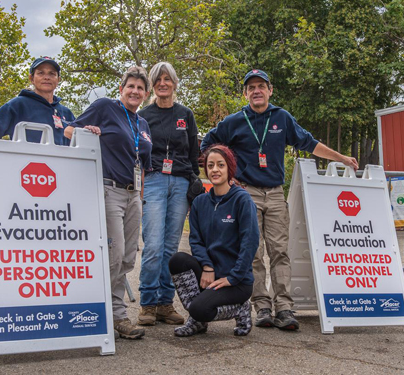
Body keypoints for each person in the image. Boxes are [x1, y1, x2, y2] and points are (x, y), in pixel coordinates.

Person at [201, 69, 358, 331]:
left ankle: (284, 307)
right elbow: (208, 145)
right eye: (251, 87)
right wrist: (226, 177)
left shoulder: (281, 118)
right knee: (252, 252)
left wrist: (341, 158)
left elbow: (309, 142)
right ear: (245, 93)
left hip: (274, 193)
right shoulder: (234, 121)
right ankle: (261, 306)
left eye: (261, 86)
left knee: (279, 252)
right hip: (245, 193)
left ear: (270, 90)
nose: (257, 91)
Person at [64, 66, 152, 339]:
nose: (135, 91)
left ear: (145, 94)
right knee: (113, 256)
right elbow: (69, 131)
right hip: (109, 190)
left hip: (133, 194)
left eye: (140, 88)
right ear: (121, 89)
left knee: (127, 256)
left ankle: (110, 313)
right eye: (131, 86)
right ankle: (114, 315)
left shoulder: (143, 124)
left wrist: (140, 197)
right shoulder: (105, 108)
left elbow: (144, 165)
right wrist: (87, 133)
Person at [168, 145, 258, 337]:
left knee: (200, 309)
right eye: (210, 165)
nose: (215, 169)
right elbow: (196, 240)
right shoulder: (200, 202)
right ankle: (198, 321)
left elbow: (249, 243)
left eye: (220, 165)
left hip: (237, 281)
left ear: (229, 168)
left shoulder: (242, 200)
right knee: (177, 260)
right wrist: (207, 267)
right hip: (210, 274)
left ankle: (240, 309)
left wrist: (234, 277)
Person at [137, 62, 200, 327]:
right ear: (153, 85)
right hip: (153, 180)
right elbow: (137, 151)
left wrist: (195, 181)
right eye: (158, 80)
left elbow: (193, 152)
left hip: (181, 183)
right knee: (152, 244)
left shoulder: (185, 113)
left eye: (168, 79)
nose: (163, 83)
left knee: (171, 247)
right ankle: (148, 303)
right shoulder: (144, 115)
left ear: (175, 83)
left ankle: (165, 302)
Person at [0, 56, 74, 146]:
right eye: (41, 73)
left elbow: (79, 142)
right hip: (26, 160)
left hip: (60, 160)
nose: (46, 77)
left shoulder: (67, 113)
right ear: (31, 78)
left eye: (52, 74)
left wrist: (89, 130)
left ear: (58, 80)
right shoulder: (18, 105)